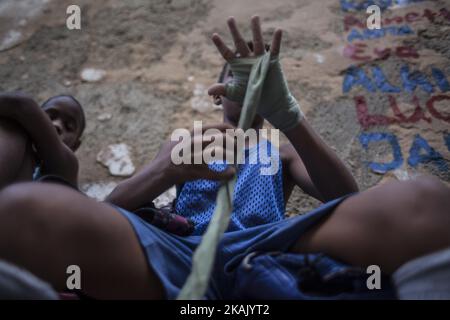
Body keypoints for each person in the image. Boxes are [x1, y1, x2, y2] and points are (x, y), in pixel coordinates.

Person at [0, 16, 448, 299]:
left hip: (267, 245)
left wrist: (287, 115)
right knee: (27, 211)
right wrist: (166, 168)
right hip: (177, 250)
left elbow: (344, 196)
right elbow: (113, 208)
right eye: (235, 77)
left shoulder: (282, 150)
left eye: (257, 78)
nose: (246, 85)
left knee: (424, 204)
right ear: (218, 95)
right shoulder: (184, 143)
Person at [0, 93, 85, 189]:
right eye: (50, 116)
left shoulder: (68, 168)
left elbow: (21, 104)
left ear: (75, 146)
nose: (57, 125)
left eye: (68, 127)